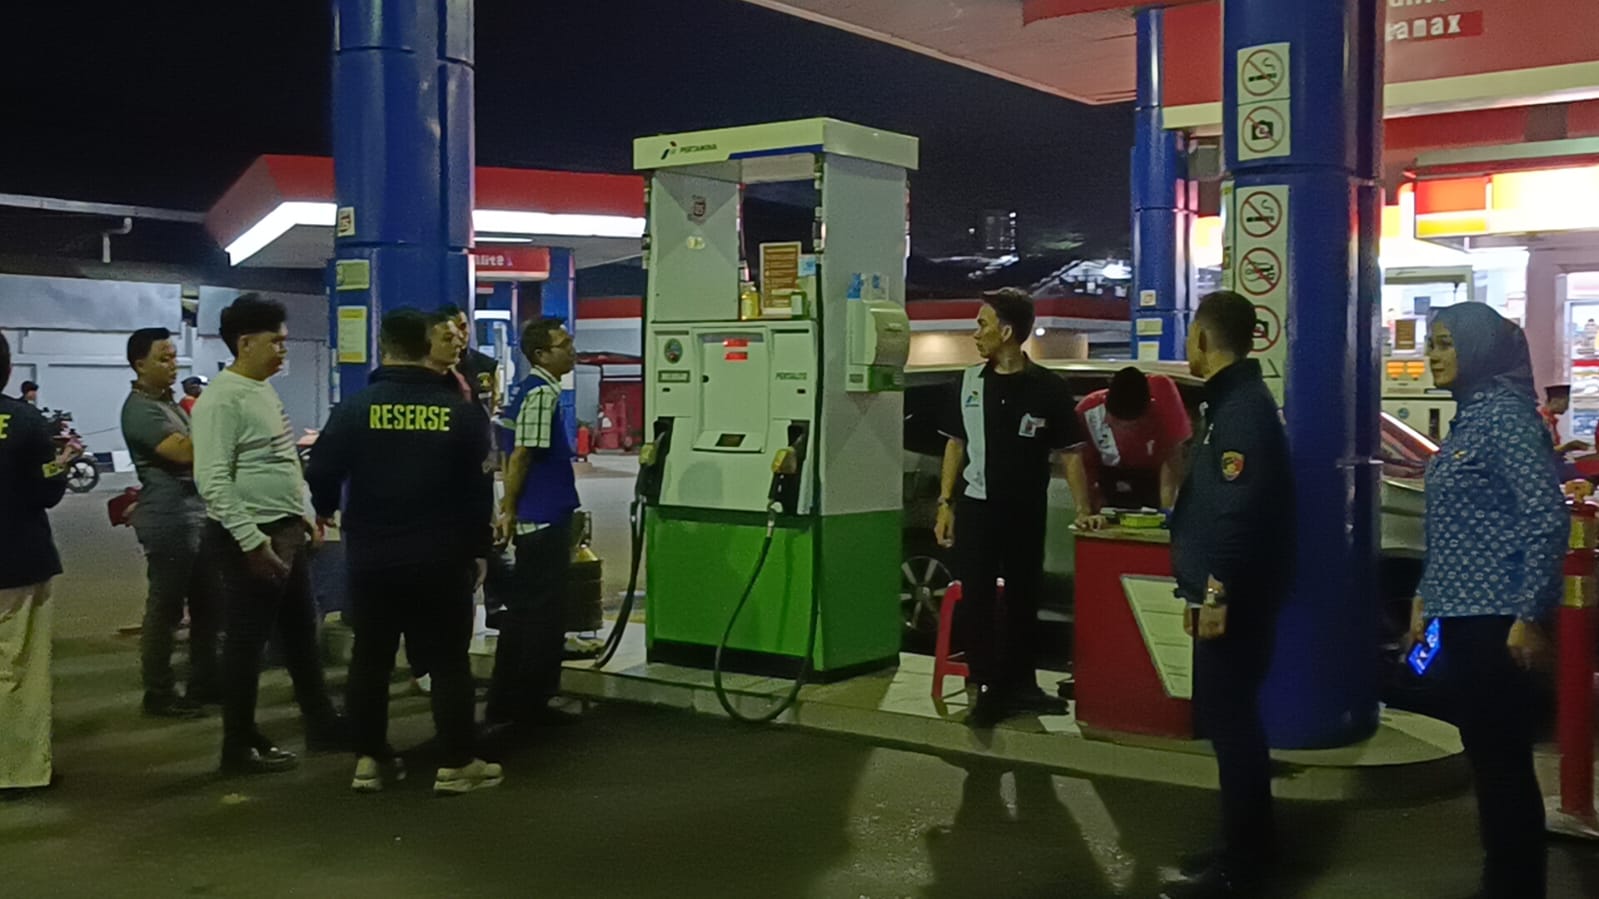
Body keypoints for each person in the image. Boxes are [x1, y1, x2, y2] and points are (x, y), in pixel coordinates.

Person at [306, 308, 502, 796]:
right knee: (449, 660)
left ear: (384, 345)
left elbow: (322, 470)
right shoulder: (461, 413)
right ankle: (457, 763)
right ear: (426, 345)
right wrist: (479, 550)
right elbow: (479, 490)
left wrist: (326, 509)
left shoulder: (356, 408)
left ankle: (370, 760)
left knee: (370, 659)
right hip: (442, 556)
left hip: (372, 556)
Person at [1411, 303, 1565, 899]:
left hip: (1497, 622)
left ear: (1478, 348)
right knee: (1488, 760)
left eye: (1446, 343)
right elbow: (1452, 527)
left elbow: (1545, 517)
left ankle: (1515, 886)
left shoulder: (1506, 419)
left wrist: (1529, 614)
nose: (1433, 355)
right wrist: (1426, 595)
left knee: (1502, 765)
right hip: (1464, 616)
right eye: (1432, 343)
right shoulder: (1471, 418)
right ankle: (1502, 879)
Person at [1162, 290, 1295, 899]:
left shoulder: (1240, 409)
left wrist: (1215, 593)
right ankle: (1248, 846)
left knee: (1232, 723)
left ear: (1202, 339)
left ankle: (1243, 867)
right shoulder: (1230, 403)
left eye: (1191, 334)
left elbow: (1238, 510)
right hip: (1228, 591)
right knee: (1230, 720)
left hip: (1235, 597)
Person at [192, 294, 345, 775]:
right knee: (246, 644)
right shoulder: (222, 399)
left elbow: (282, 460)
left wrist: (305, 514)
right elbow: (212, 480)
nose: (283, 350)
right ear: (245, 344)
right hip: (250, 539)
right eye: (276, 342)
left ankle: (322, 724)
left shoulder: (260, 389)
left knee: (301, 634)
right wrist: (252, 542)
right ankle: (237, 745)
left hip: (283, 531)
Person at [933, 288, 1079, 728]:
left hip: (1026, 509)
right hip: (978, 508)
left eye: (983, 324)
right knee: (977, 599)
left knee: (1023, 599)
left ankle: (1022, 685)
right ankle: (985, 688)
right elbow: (955, 445)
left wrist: (1086, 508)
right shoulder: (968, 383)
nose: (976, 333)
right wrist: (945, 503)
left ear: (1008, 331)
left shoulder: (1049, 387)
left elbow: (1071, 453)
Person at [486, 317, 582, 735]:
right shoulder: (542, 393)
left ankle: (505, 702)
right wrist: (509, 508)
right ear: (541, 354)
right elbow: (522, 454)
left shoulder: (527, 390)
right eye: (564, 345)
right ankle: (531, 706)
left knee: (524, 613)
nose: (572, 351)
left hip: (535, 514)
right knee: (544, 616)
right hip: (543, 516)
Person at [120, 327, 220, 719]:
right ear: (139, 364)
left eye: (174, 356)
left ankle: (204, 682)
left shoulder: (171, 405)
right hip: (169, 518)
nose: (173, 364)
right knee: (166, 609)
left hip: (195, 513)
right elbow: (183, 452)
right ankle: (159, 692)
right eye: (163, 358)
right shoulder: (140, 410)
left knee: (208, 604)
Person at [0, 333, 77, 793]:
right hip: (17, 559)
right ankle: (19, 770)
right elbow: (45, 489)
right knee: (20, 668)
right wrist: (62, 463)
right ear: (8, 370)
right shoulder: (26, 421)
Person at [1067, 365, 1192, 528]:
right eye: (1117, 424)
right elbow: (1080, 466)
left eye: (1132, 426)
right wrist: (1086, 512)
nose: (1125, 432)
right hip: (1108, 479)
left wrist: (1167, 512)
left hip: (1152, 479)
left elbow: (1172, 459)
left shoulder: (1164, 404)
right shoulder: (1087, 413)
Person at [439, 304, 501, 416]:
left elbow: (495, 404)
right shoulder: (434, 367)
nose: (460, 334)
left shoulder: (488, 366)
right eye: (453, 330)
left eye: (463, 326)